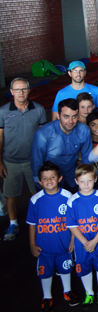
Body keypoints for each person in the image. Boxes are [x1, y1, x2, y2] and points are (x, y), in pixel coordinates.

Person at [0, 77, 47, 241]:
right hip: (10, 161)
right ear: (11, 91)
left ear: (29, 90)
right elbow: (0, 138)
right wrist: (0, 161)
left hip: (33, 162)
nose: (21, 92)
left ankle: (41, 222)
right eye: (17, 89)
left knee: (38, 193)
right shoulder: (3, 111)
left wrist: (43, 160)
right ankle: (13, 223)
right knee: (11, 195)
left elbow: (43, 136)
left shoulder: (39, 109)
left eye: (24, 89)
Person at [28, 162, 79, 311]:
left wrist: (72, 240)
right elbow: (32, 224)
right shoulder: (35, 200)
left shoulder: (68, 196)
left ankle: (67, 291)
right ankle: (47, 296)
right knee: (45, 272)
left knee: (66, 268)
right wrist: (32, 244)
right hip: (44, 247)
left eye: (52, 177)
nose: (49, 181)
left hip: (64, 245)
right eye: (44, 178)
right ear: (39, 181)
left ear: (60, 178)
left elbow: (74, 222)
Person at [66, 164, 98, 307]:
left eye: (89, 180)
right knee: (84, 267)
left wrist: (95, 241)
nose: (86, 184)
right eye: (82, 181)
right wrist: (85, 242)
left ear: (95, 179)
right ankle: (89, 293)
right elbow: (72, 225)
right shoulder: (72, 201)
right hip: (81, 242)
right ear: (76, 181)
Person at [32, 98, 92, 191]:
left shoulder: (84, 130)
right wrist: (40, 185)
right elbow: (37, 162)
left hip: (73, 178)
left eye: (74, 116)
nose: (70, 121)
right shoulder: (43, 134)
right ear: (58, 115)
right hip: (50, 181)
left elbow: (86, 159)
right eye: (66, 116)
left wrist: (85, 181)